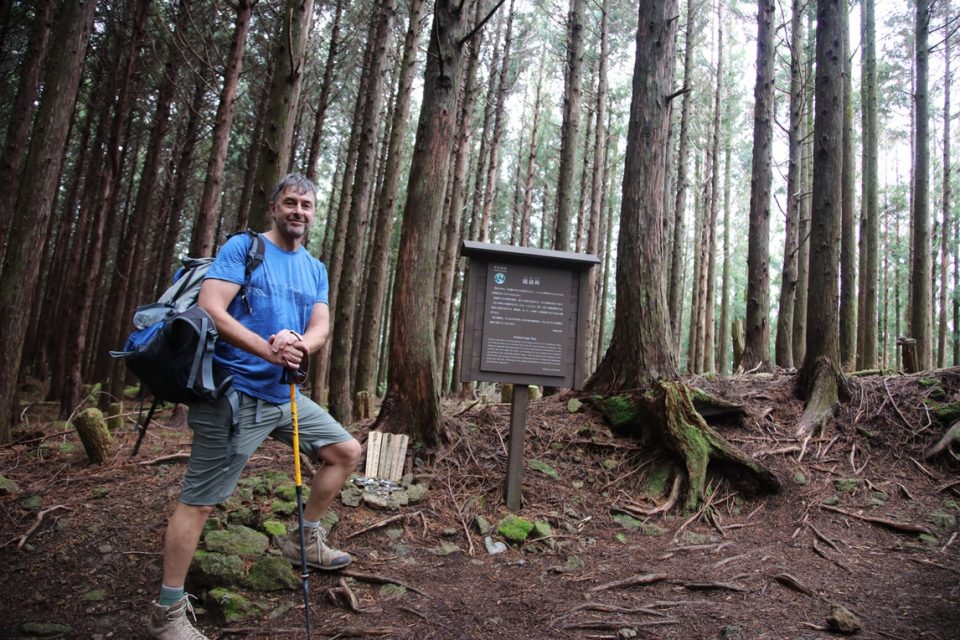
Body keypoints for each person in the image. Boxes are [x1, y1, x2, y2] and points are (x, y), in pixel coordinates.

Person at [148, 173, 362, 640]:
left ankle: (301, 540)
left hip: (283, 396)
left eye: (306, 205)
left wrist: (300, 345)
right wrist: (270, 349)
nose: (299, 212)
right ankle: (166, 613)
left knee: (345, 451)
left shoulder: (315, 268)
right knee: (199, 502)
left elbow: (321, 324)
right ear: (274, 206)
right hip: (233, 395)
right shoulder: (243, 249)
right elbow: (212, 308)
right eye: (290, 202)